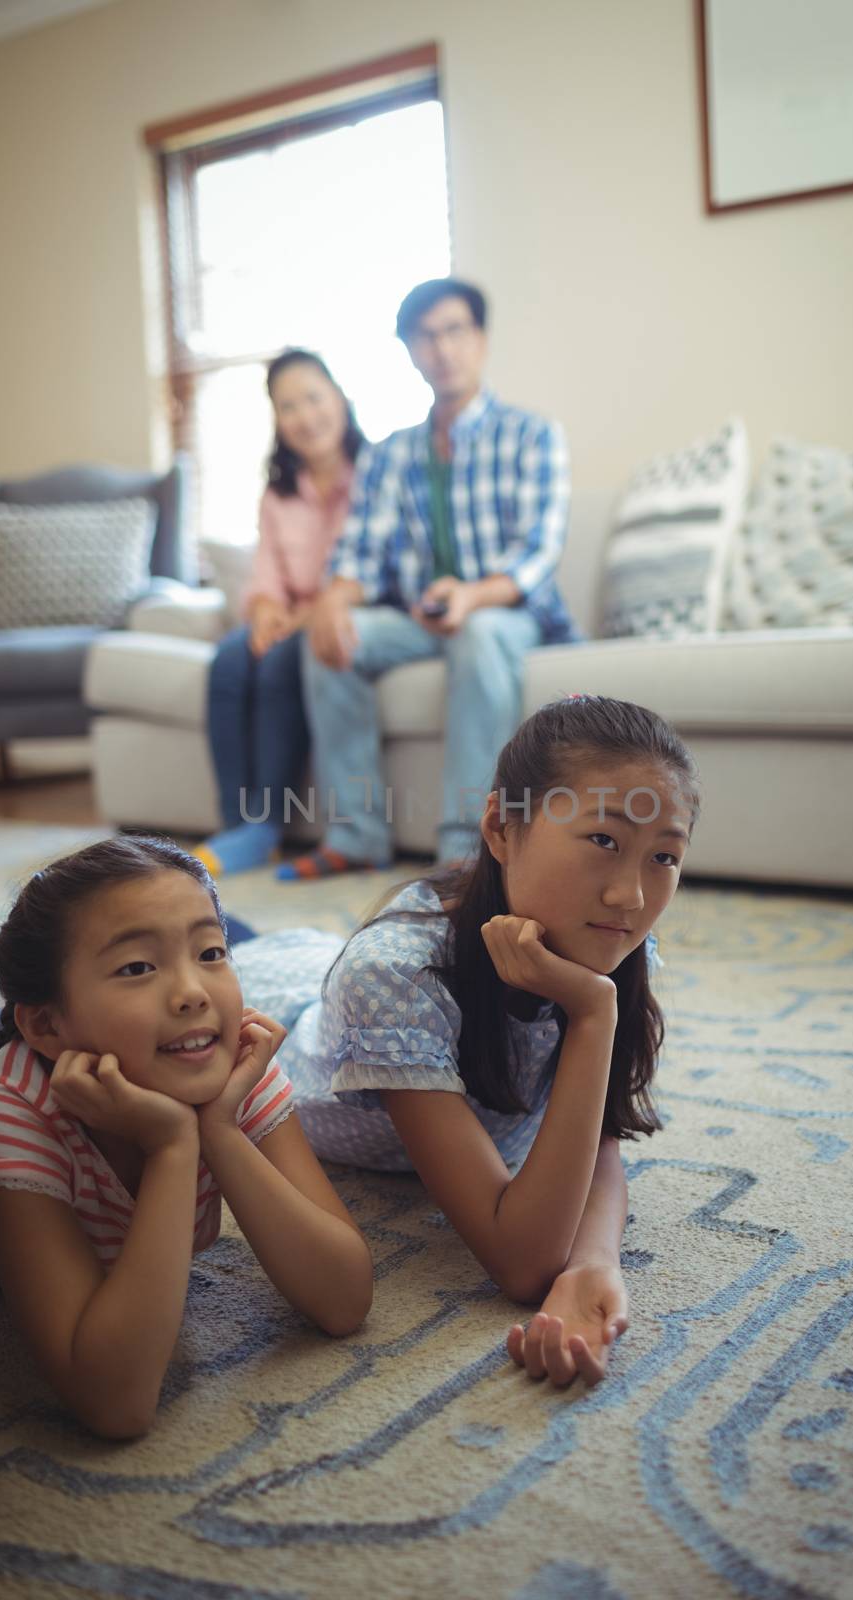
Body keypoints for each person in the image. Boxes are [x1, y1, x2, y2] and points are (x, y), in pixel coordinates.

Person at [233, 695, 699, 1386]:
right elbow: (520, 1261)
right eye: (603, 840)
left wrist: (594, 1260)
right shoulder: (393, 976)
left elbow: (597, 1136)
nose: (631, 896)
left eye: (663, 855)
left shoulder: (607, 950)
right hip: (283, 1011)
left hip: (342, 971)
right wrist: (593, 1014)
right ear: (501, 829)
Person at [0, 837, 373, 1438]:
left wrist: (216, 1128)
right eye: (138, 967)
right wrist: (172, 1146)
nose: (193, 992)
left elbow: (345, 1300)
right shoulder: (5, 1115)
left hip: (32, 1036)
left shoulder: (234, 1068)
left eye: (213, 951)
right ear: (46, 1024)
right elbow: (115, 1404)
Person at [279, 277, 578, 880]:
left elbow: (537, 555)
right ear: (410, 352)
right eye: (425, 337)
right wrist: (334, 602)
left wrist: (471, 595)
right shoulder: (391, 454)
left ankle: (466, 851)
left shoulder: (532, 435)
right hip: (425, 618)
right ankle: (356, 833)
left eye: (455, 331)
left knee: (480, 633)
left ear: (481, 339)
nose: (442, 349)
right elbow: (362, 551)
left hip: (510, 616)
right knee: (333, 637)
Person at [195, 349, 365, 877]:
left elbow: (366, 574)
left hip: (343, 613)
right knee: (226, 662)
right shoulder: (278, 493)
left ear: (338, 397)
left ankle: (266, 823)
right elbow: (266, 575)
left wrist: (296, 620)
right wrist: (266, 611)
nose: (304, 415)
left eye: (313, 397)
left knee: (275, 664)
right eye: (287, 406)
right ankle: (237, 826)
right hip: (287, 617)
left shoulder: (373, 475)